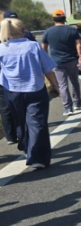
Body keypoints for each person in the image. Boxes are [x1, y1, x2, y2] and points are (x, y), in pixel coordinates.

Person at [0, 17, 59, 168]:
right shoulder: (33, 46)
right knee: (37, 123)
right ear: (23, 31)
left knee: (20, 122)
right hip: (34, 89)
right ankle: (38, 158)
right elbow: (47, 69)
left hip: (12, 91)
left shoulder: (2, 48)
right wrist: (55, 85)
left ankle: (27, 147)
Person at [42, 10, 81, 116]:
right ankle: (77, 102)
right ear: (64, 19)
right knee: (74, 81)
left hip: (56, 62)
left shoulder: (48, 31)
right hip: (72, 60)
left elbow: (44, 48)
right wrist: (80, 57)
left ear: (53, 19)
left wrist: (46, 60)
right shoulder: (72, 30)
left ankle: (68, 108)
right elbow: (78, 45)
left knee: (62, 85)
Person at [0, 11, 35, 144]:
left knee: (5, 108)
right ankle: (25, 135)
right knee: (25, 108)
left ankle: (10, 136)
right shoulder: (25, 33)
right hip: (24, 77)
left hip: (4, 78)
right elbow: (34, 51)